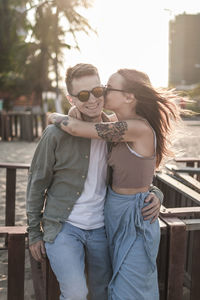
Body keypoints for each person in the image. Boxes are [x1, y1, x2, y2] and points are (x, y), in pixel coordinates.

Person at [27, 64, 163, 300]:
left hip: (107, 226)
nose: (92, 99)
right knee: (77, 293)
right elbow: (36, 184)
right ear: (71, 98)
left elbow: (136, 173)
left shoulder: (116, 130)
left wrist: (155, 193)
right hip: (67, 226)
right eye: (82, 95)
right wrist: (34, 233)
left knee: (110, 291)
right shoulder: (55, 135)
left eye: (99, 91)